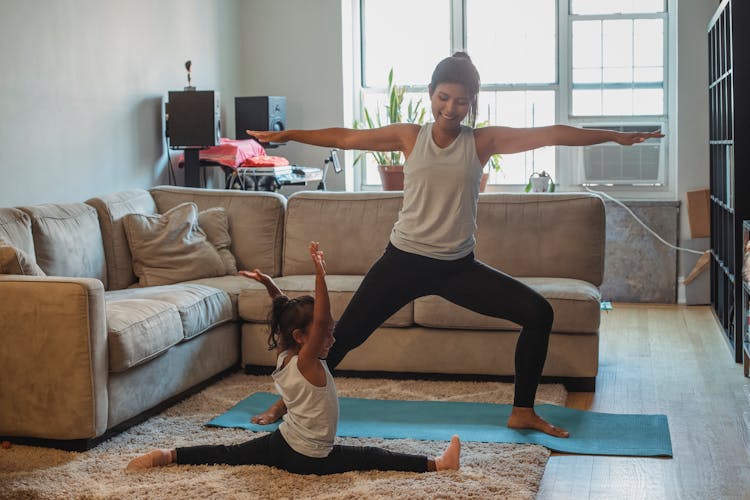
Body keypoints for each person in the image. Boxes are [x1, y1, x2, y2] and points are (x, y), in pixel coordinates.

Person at [247, 52, 664, 438]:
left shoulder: (482, 143)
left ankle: (522, 410)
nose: (450, 108)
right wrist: (288, 135)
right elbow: (346, 138)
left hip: (457, 267)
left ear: (473, 104)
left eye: (461, 102)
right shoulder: (409, 136)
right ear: (430, 94)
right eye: (443, 97)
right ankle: (287, 402)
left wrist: (613, 136)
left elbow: (551, 134)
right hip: (402, 262)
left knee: (538, 312)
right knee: (342, 337)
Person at [127, 241, 461, 475]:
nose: (331, 338)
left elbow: (283, 307)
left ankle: (166, 456)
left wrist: (269, 283)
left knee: (229, 453)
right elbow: (319, 319)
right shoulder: (307, 362)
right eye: (325, 333)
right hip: (311, 457)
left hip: (284, 444)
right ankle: (436, 464)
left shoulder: (286, 355)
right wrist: (319, 275)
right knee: (372, 456)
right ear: (304, 338)